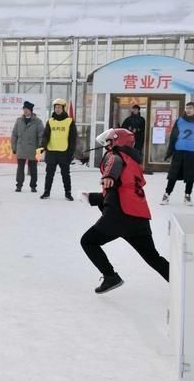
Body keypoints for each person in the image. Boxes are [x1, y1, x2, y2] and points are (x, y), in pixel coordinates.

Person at [80, 128, 169, 294]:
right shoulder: (132, 162)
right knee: (153, 258)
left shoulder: (115, 156)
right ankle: (184, 283)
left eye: (108, 141)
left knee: (88, 242)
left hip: (119, 216)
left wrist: (109, 176)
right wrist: (92, 198)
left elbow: (114, 164)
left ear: (116, 142)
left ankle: (110, 276)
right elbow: (120, 191)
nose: (106, 146)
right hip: (139, 218)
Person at [40, 98, 77, 201]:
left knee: (65, 174)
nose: (57, 109)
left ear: (64, 108)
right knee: (49, 174)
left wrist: (71, 153)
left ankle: (68, 193)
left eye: (59, 107)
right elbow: (45, 135)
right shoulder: (50, 121)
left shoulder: (69, 121)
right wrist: (42, 146)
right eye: (56, 107)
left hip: (64, 153)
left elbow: (72, 139)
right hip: (52, 152)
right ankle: (46, 192)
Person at [160, 101, 194, 206]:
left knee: (190, 176)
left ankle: (187, 195)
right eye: (187, 108)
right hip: (179, 151)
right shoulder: (179, 121)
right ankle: (167, 194)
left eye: (190, 108)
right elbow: (173, 137)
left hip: (192, 152)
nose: (188, 110)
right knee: (173, 175)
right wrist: (169, 152)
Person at [11, 101, 44, 192]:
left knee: (33, 168)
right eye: (24, 109)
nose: (25, 111)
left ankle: (33, 186)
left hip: (33, 149)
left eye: (27, 109)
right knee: (20, 168)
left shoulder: (37, 122)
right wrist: (14, 147)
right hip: (21, 148)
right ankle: (19, 185)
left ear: (31, 110)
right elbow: (14, 134)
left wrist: (41, 148)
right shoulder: (19, 121)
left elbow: (41, 135)